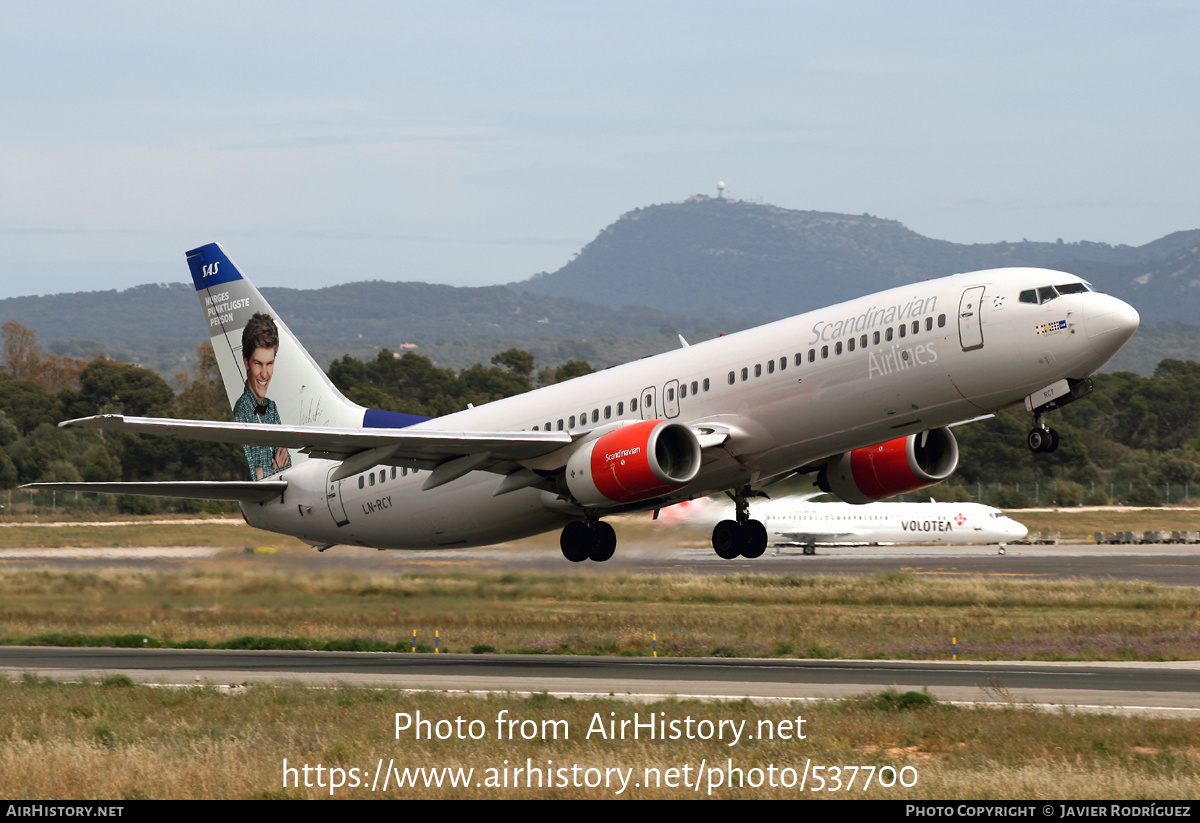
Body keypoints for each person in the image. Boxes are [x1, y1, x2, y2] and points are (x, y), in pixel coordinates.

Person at [233, 312, 292, 479]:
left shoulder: (271, 408)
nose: (265, 374)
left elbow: (287, 465)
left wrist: (266, 470)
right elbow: (251, 475)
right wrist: (275, 468)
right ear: (246, 363)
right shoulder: (240, 412)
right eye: (258, 364)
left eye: (270, 363)